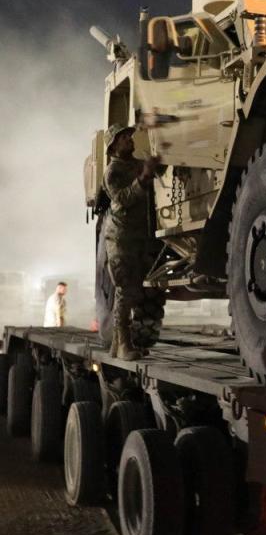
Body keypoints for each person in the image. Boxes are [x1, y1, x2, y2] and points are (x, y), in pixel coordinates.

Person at [102, 124, 161, 360]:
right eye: (124, 137)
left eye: (129, 136)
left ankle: (119, 346)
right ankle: (124, 344)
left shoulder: (135, 164)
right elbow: (123, 199)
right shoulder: (112, 172)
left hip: (138, 236)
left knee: (136, 291)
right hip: (121, 238)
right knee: (126, 291)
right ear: (114, 145)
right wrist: (145, 175)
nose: (129, 139)